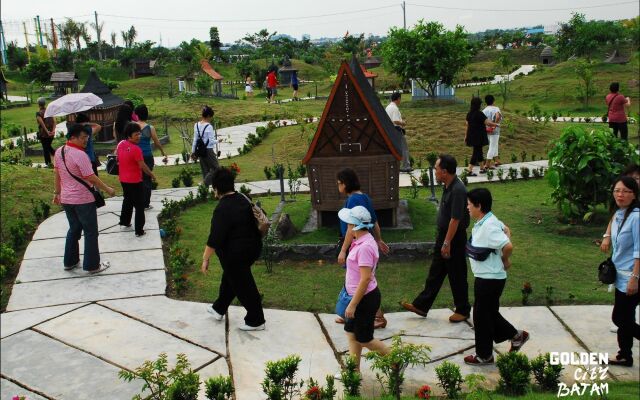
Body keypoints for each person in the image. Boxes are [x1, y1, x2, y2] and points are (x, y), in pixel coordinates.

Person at [401, 154, 472, 322]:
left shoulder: (458, 190)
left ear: (445, 172)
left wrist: (447, 242)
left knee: (457, 274)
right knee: (436, 272)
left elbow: (455, 220)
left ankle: (462, 310)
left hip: (453, 238)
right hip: (445, 236)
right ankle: (421, 305)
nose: (435, 172)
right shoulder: (448, 186)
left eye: (436, 169)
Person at [463, 188, 529, 365]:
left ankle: (484, 355)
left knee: (481, 317)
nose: (467, 207)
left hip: (489, 279)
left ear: (479, 206)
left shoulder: (489, 226)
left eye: (469, 204)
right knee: (488, 313)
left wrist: (504, 259)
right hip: (488, 277)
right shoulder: (488, 220)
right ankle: (517, 336)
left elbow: (508, 245)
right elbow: (507, 230)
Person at [201, 167, 266, 331]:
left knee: (243, 285)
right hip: (253, 247)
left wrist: (205, 259)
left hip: (236, 254)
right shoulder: (243, 198)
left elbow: (214, 238)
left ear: (216, 188)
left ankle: (256, 320)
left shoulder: (222, 209)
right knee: (232, 278)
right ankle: (219, 308)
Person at [53, 123, 116, 273]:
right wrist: (107, 189)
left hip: (67, 199)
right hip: (83, 200)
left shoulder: (59, 151)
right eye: (83, 138)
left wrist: (57, 193)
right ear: (72, 137)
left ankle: (70, 261)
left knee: (74, 229)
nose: (86, 140)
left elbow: (57, 173)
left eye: (87, 137)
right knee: (90, 232)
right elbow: (90, 177)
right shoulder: (81, 155)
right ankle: (92, 265)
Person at [337, 205, 390, 373]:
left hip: (364, 300)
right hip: (356, 297)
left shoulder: (366, 246)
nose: (347, 227)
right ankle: (353, 371)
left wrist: (353, 304)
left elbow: (366, 278)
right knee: (351, 333)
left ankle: (395, 359)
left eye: (349, 224)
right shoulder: (360, 241)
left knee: (364, 339)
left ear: (356, 226)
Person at [336, 168, 390, 329]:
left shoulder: (353, 200)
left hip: (358, 247)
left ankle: (378, 316)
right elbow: (376, 221)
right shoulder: (364, 197)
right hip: (364, 244)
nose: (338, 187)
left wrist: (343, 250)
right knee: (357, 279)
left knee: (364, 281)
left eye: (339, 183)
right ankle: (348, 312)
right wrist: (379, 240)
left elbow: (350, 229)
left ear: (345, 184)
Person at [604, 176, 640, 366]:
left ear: (634, 195)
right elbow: (613, 226)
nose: (620, 194)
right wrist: (606, 236)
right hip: (621, 277)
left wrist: (635, 278)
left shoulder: (636, 217)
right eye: (617, 190)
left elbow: (639, 251)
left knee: (620, 318)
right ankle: (625, 354)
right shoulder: (619, 214)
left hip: (633, 277)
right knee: (625, 318)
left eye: (626, 191)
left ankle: (625, 353)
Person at [116, 122, 156, 237]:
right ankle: (139, 230)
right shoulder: (136, 149)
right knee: (139, 205)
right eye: (136, 135)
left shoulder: (120, 144)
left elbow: (117, 158)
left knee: (127, 200)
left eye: (139, 134)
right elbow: (143, 165)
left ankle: (124, 221)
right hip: (135, 181)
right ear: (129, 135)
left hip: (123, 179)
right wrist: (151, 174)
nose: (139, 136)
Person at [601, 164, 640, 254]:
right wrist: (607, 236)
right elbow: (616, 214)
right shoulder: (623, 197)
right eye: (628, 177)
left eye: (636, 179)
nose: (630, 181)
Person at [134, 104, 167, 209]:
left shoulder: (133, 126)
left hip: (136, 157)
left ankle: (138, 201)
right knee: (147, 179)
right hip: (147, 156)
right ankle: (146, 203)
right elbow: (157, 142)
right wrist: (162, 152)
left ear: (137, 115)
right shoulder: (150, 128)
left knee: (138, 179)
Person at [466, 97, 498, 176]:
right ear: (478, 105)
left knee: (479, 151)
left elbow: (467, 125)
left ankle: (482, 168)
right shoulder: (479, 113)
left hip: (471, 135)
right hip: (478, 136)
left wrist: (466, 136)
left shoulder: (469, 114)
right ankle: (469, 170)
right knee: (476, 152)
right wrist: (496, 124)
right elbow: (487, 123)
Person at [191, 105, 220, 183]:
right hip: (208, 150)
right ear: (208, 116)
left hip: (200, 150)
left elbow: (195, 140)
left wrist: (193, 152)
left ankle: (204, 192)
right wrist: (218, 141)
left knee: (205, 171)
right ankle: (204, 184)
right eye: (211, 117)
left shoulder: (196, 125)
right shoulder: (209, 126)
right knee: (216, 169)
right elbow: (211, 141)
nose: (211, 119)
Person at [385, 92, 411, 172]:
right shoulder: (394, 108)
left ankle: (395, 166)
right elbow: (395, 120)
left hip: (390, 130)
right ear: (398, 99)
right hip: (397, 130)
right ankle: (406, 166)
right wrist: (403, 123)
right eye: (400, 99)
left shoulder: (388, 107)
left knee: (394, 149)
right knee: (404, 148)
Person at [482, 95, 502, 169]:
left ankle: (497, 160)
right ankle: (487, 164)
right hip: (494, 131)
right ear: (493, 101)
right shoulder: (496, 108)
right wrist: (494, 125)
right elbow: (497, 116)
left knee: (494, 145)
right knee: (492, 146)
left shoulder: (484, 110)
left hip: (487, 130)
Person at [36, 97, 56, 166]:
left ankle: (48, 164)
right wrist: (53, 131)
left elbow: (42, 124)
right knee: (48, 147)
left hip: (44, 134)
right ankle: (57, 158)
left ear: (38, 104)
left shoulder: (38, 113)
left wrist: (47, 132)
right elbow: (54, 122)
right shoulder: (49, 111)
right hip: (51, 134)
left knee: (45, 149)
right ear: (45, 103)